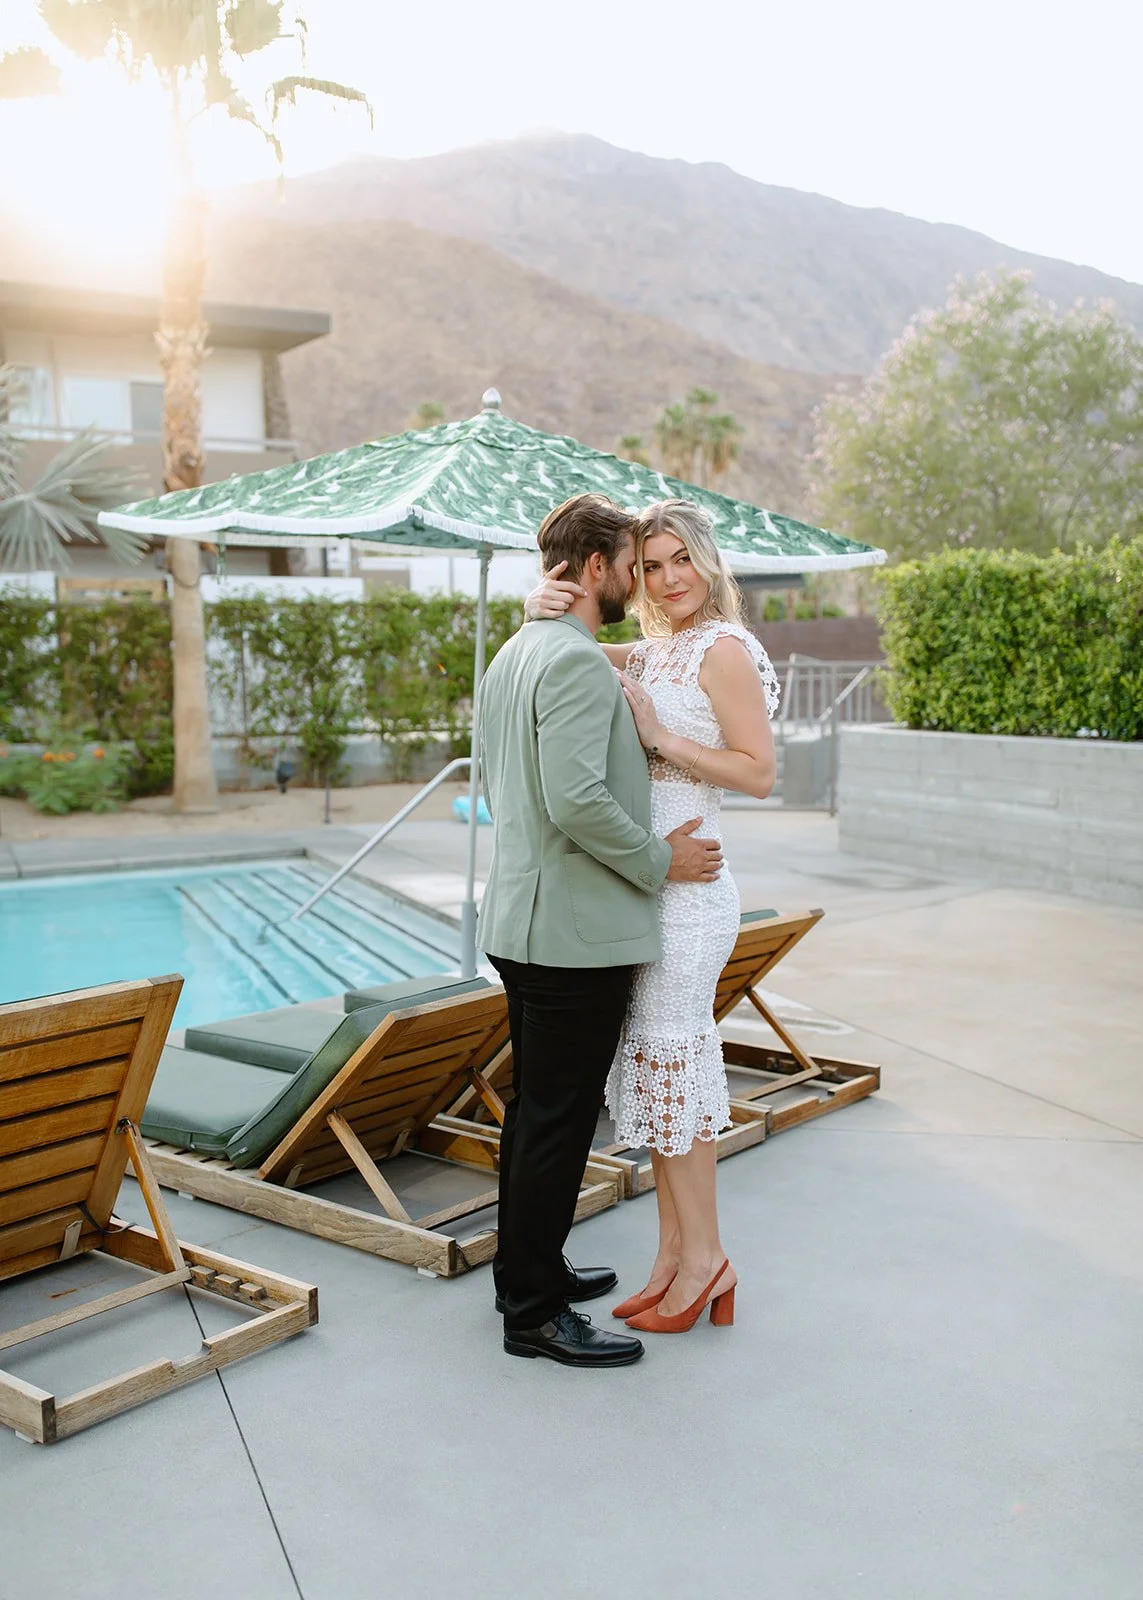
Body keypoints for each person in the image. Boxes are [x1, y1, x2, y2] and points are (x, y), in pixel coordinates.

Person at [477, 492, 724, 1368]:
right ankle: (534, 1314)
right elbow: (576, 799)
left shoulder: (519, 649)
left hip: (521, 920)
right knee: (556, 1123)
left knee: (535, 1118)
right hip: (570, 934)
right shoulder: (574, 662)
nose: (637, 578)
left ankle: (526, 1271)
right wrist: (661, 862)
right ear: (591, 570)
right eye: (628, 563)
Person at [523, 498, 779, 1335]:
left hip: (693, 893)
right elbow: (580, 649)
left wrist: (660, 737)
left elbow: (756, 773)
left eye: (682, 561)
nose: (668, 579)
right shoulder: (657, 647)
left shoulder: (726, 649)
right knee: (658, 1078)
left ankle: (705, 1261)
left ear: (707, 563)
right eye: (653, 562)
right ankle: (673, 1258)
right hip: (647, 889)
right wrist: (537, 606)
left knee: (676, 1073)